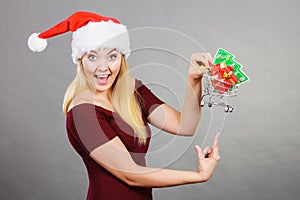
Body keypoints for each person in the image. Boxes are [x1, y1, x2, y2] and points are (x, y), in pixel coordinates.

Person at [28, 11, 220, 200]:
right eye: (92, 57)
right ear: (80, 60)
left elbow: (184, 125)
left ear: (122, 58)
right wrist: (198, 176)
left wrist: (194, 79)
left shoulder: (133, 91)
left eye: (111, 56)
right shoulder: (82, 113)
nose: (103, 68)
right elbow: (131, 175)